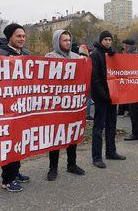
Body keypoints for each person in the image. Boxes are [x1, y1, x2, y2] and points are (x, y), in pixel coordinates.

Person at [0, 23, 31, 192]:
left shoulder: (27, 54)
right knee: (8, 143)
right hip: (6, 107)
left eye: (23, 36)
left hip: (22, 106)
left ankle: (15, 172)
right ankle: (6, 179)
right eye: (18, 36)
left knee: (19, 141)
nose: (22, 39)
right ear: (10, 37)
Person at [45, 30, 86, 181]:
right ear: (57, 42)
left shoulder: (77, 58)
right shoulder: (49, 58)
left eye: (69, 40)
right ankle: (53, 168)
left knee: (72, 134)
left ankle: (72, 164)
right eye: (64, 40)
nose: (68, 43)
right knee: (56, 137)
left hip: (73, 104)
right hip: (56, 105)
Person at [91, 31, 126, 169]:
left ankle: (111, 152)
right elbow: (94, 78)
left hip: (113, 96)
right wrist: (104, 95)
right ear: (101, 41)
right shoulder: (95, 55)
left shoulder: (112, 55)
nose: (108, 42)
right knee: (98, 128)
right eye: (105, 39)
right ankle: (97, 157)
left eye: (110, 39)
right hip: (101, 98)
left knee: (111, 125)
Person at [122, 38, 138, 141]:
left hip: (133, 87)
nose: (123, 48)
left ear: (127, 46)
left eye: (124, 46)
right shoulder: (137, 54)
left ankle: (136, 133)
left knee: (134, 111)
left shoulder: (131, 56)